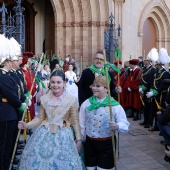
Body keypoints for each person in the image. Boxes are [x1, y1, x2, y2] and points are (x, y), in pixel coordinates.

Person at [18, 70, 84, 169]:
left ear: (64, 83)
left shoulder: (71, 100)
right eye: (53, 82)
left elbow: (75, 121)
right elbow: (40, 118)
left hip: (63, 135)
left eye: (58, 82)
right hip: (44, 134)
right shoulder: (44, 98)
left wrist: (78, 139)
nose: (55, 85)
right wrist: (27, 125)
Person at [79, 75, 130, 170]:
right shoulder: (86, 103)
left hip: (107, 143)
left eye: (98, 86)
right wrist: (80, 139)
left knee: (104, 168)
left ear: (106, 89)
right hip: (90, 143)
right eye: (93, 86)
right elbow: (81, 123)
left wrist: (117, 126)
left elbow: (124, 123)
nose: (94, 88)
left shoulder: (114, 105)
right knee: (90, 167)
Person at [0, 34, 26, 170]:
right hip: (5, 113)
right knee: (4, 146)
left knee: (7, 145)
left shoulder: (7, 75)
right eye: (9, 60)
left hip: (9, 113)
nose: (12, 62)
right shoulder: (2, 76)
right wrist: (19, 104)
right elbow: (11, 94)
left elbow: (18, 90)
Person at [20, 54, 37, 120]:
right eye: (28, 63)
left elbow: (32, 81)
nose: (29, 64)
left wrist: (35, 87)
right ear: (25, 64)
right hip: (27, 93)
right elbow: (27, 84)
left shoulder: (28, 71)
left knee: (31, 109)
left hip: (31, 92)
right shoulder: (23, 72)